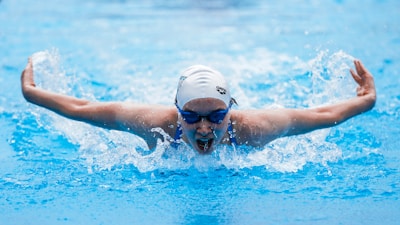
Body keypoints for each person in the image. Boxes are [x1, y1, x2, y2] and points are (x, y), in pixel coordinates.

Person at [21, 58, 376, 154]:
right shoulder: (154, 124)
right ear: (176, 112)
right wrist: (32, 94)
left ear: (230, 110)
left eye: (216, 116)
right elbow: (84, 108)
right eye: (191, 116)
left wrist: (366, 101)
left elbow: (321, 116)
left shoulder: (253, 129)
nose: (205, 128)